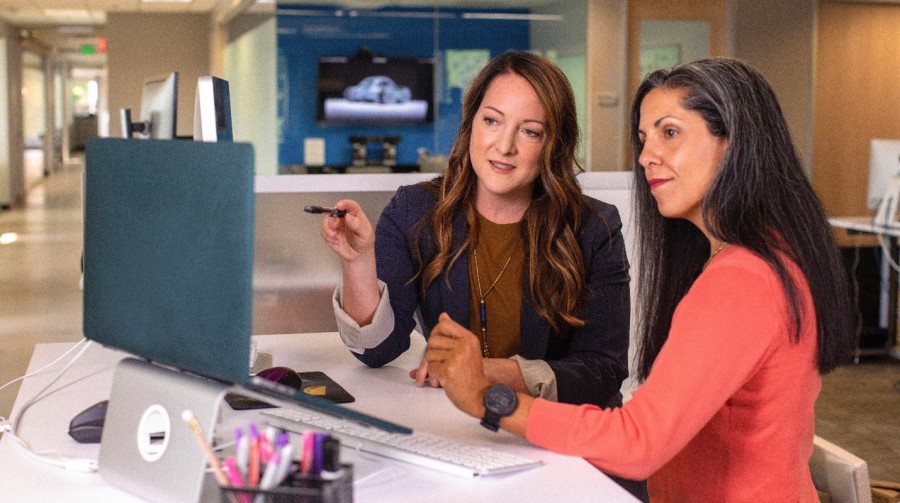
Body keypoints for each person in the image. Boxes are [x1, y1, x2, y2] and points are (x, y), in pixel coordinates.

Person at [423, 57, 855, 502]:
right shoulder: (772, 252)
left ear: (733, 144)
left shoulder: (742, 280)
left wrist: (488, 399)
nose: (648, 156)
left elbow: (639, 444)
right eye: (645, 138)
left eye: (670, 133)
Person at [318, 51, 645, 498]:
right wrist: (357, 262)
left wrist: (483, 375)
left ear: (554, 144)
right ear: (471, 124)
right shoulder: (415, 211)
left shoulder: (593, 226)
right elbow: (378, 350)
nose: (504, 146)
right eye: (492, 121)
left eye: (529, 132)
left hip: (565, 448)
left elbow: (603, 371)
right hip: (465, 443)